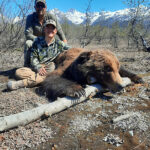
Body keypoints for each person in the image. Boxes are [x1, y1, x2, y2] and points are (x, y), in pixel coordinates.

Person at [7, 19, 70, 90]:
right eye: (47, 27)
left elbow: (71, 50)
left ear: (55, 31)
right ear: (44, 30)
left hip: (49, 67)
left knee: (52, 66)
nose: (50, 30)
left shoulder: (59, 43)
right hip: (37, 68)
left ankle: (20, 84)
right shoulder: (37, 41)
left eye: (52, 28)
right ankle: (43, 79)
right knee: (18, 72)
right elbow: (33, 57)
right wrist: (38, 67)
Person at [24, 0, 67, 66]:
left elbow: (60, 31)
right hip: (35, 42)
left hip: (50, 41)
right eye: (38, 5)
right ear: (35, 7)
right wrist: (39, 40)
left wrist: (64, 42)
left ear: (46, 7)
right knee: (28, 43)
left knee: (62, 48)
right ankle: (27, 66)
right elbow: (28, 34)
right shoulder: (30, 18)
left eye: (42, 6)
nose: (40, 7)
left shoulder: (51, 17)